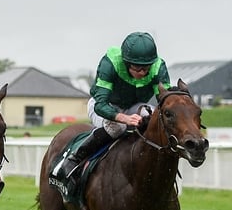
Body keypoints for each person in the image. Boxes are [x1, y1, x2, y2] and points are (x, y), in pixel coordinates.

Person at [57, 31, 171, 179]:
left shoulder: (158, 67)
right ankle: (74, 158)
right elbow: (100, 105)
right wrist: (124, 118)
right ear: (126, 62)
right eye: (137, 68)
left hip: (134, 105)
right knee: (118, 127)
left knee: (152, 118)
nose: (143, 72)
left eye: (146, 68)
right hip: (104, 106)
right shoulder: (111, 63)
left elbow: (165, 101)